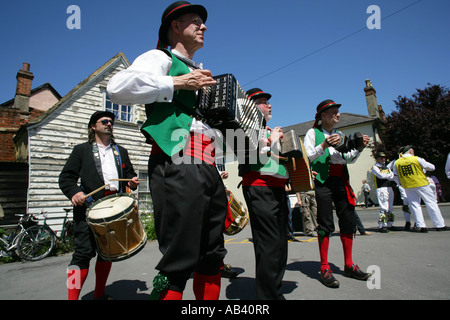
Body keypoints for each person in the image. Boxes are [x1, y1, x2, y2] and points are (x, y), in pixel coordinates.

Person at [107, 1, 228, 300]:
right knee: (179, 260)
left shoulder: (200, 71)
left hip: (208, 166)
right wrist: (177, 82)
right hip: (177, 160)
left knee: (212, 255)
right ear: (175, 26)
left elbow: (204, 125)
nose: (204, 26)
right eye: (196, 21)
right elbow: (117, 87)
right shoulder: (159, 57)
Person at [59, 111, 139, 300]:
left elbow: (129, 176)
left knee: (106, 254)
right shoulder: (82, 150)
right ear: (93, 126)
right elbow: (66, 177)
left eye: (111, 121)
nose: (109, 123)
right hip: (88, 208)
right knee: (81, 255)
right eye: (104, 121)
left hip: (113, 209)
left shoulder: (121, 151)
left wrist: (131, 182)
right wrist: (75, 192)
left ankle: (100, 295)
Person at [304, 99, 371, 288]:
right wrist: (324, 145)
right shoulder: (312, 133)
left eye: (338, 112)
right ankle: (324, 267)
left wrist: (359, 147)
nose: (338, 115)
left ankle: (349, 265)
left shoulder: (340, 134)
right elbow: (308, 156)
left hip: (341, 179)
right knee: (325, 223)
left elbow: (348, 159)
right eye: (334, 112)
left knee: (348, 220)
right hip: (323, 181)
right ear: (323, 116)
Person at [238, 88, 289, 300]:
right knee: (268, 245)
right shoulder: (243, 127)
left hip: (276, 189)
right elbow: (251, 154)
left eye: (268, 101)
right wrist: (273, 140)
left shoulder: (266, 129)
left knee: (280, 243)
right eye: (262, 101)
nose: (269, 105)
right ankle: (268, 298)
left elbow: (275, 162)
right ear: (250, 107)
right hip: (260, 189)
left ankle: (274, 290)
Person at [393, 146, 448, 232]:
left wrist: (400, 183)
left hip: (408, 186)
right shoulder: (416, 159)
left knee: (415, 205)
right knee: (431, 203)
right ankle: (439, 225)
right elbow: (432, 167)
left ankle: (421, 226)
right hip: (421, 184)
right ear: (410, 151)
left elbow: (395, 176)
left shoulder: (397, 163)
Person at [372, 152, 395, 232]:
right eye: (381, 158)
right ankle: (381, 225)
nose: (383, 159)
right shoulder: (375, 167)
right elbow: (380, 176)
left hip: (389, 187)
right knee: (384, 207)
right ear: (377, 159)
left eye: (384, 158)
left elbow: (392, 176)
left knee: (390, 207)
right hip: (381, 188)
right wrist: (388, 176)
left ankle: (390, 224)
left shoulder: (387, 168)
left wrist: (388, 176)